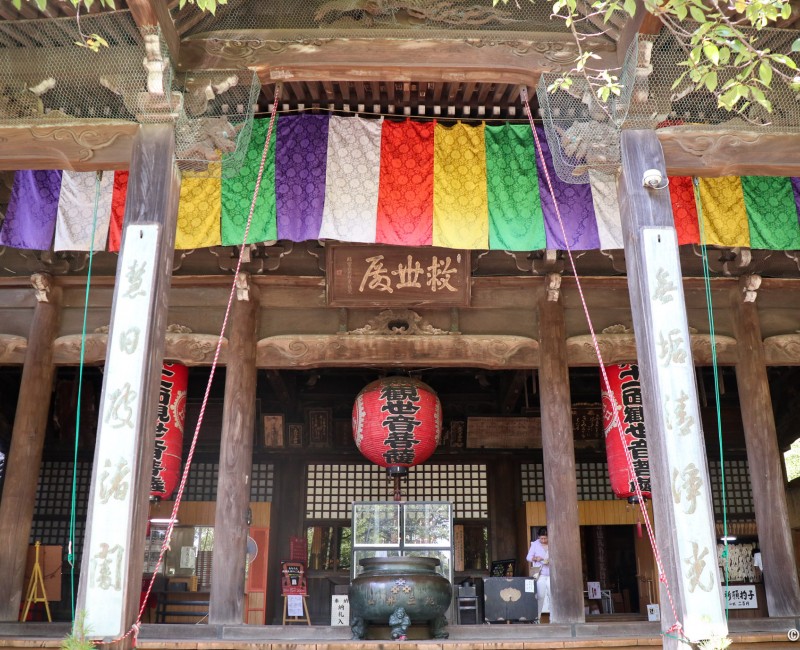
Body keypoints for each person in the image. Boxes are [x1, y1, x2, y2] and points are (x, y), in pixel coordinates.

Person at [526, 526, 551, 621]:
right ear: (538, 537)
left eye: (545, 538)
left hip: (551, 574)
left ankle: (553, 619)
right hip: (541, 574)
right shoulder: (535, 544)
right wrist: (537, 558)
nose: (543, 540)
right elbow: (528, 557)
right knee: (540, 596)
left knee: (552, 596)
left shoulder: (552, 542)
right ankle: (537, 618)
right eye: (541, 538)